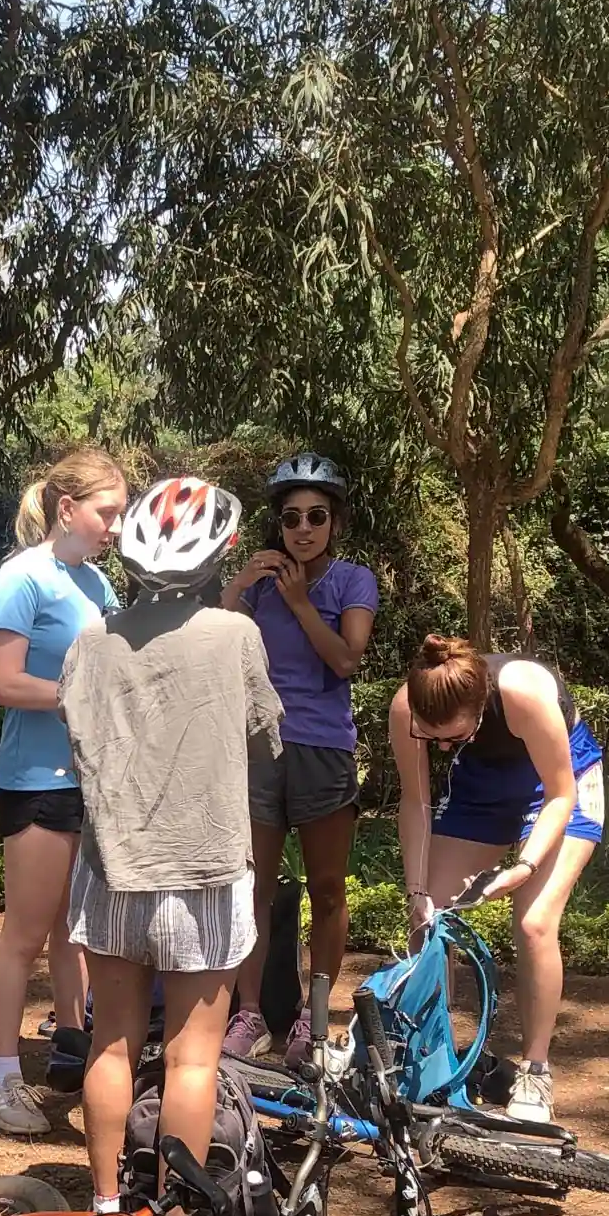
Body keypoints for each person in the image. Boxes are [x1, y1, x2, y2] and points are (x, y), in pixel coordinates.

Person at [58, 475, 283, 1216]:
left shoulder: (91, 641)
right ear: (222, 553)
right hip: (205, 869)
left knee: (111, 1041)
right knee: (193, 1056)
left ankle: (104, 1212)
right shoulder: (235, 634)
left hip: (112, 870)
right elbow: (265, 736)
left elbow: (76, 736)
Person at [386, 637, 606, 1125]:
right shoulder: (407, 706)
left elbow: (561, 794)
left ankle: (535, 1069)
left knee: (534, 922)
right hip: (481, 786)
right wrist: (416, 891)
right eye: (433, 738)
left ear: (479, 709)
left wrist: (524, 866)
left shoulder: (522, 692)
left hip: (559, 782)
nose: (443, 747)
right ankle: (434, 1057)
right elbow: (415, 801)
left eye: (453, 736)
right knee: (429, 919)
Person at [0, 447, 128, 1137]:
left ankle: (73, 1051)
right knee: (25, 934)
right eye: (107, 513)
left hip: (91, 780)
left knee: (76, 930)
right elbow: (6, 684)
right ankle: (2, 1081)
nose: (115, 527)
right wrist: (82, 696)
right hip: (36, 781)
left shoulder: (97, 584)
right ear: (67, 509)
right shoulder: (21, 579)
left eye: (121, 515)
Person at [220, 452, 376, 1072]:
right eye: (291, 518)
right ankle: (251, 1014)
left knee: (327, 888)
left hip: (323, 749)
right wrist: (237, 586)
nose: (303, 528)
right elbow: (218, 645)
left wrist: (302, 602)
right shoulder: (259, 586)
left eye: (316, 516)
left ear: (335, 522)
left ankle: (314, 1018)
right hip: (259, 747)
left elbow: (346, 659)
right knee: (251, 886)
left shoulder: (352, 581)